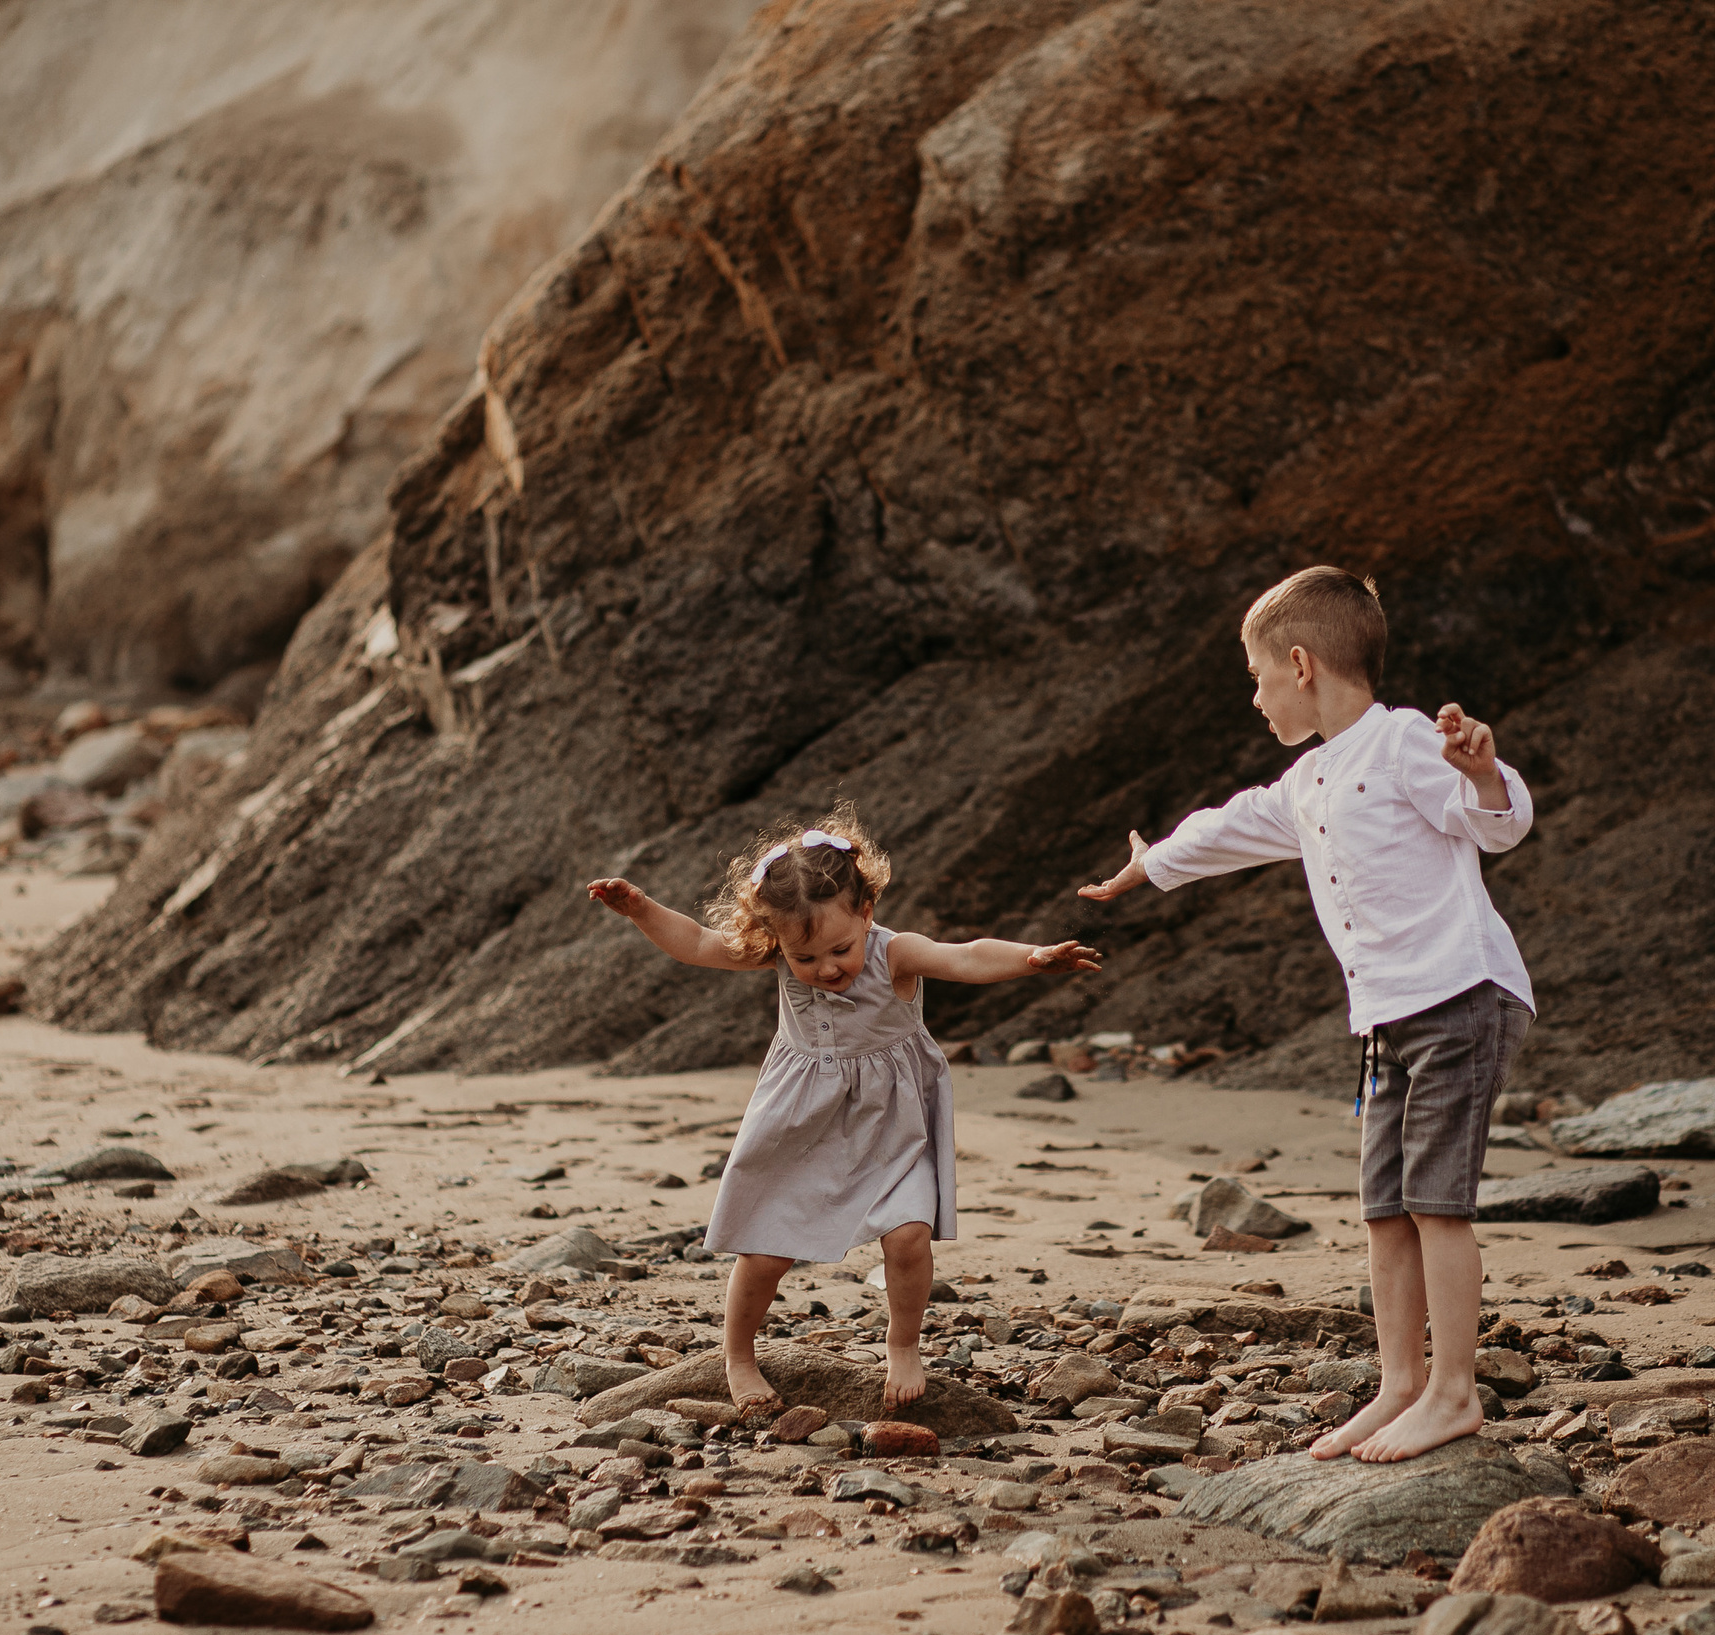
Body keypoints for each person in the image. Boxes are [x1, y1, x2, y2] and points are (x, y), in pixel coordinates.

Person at [1080, 565, 1535, 1462]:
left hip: (1461, 996)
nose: (1253, 698)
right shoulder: (1310, 780)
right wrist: (1154, 863)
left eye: (1256, 678)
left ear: (1299, 664)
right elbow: (1230, 825)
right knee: (1385, 1209)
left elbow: (1495, 824)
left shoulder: (1405, 740)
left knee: (1438, 1206)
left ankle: (1453, 1391)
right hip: (1386, 1019)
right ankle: (1400, 1382)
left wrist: (1485, 773)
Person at [589, 808, 1101, 1413]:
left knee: (909, 1236)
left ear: (866, 913)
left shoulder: (895, 954)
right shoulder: (777, 953)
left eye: (840, 950)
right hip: (801, 1120)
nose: (826, 969)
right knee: (765, 1250)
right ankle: (737, 1356)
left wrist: (1032, 958)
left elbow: (964, 956)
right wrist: (641, 908)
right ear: (778, 940)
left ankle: (903, 1343)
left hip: (890, 1121)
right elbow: (699, 944)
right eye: (806, 960)